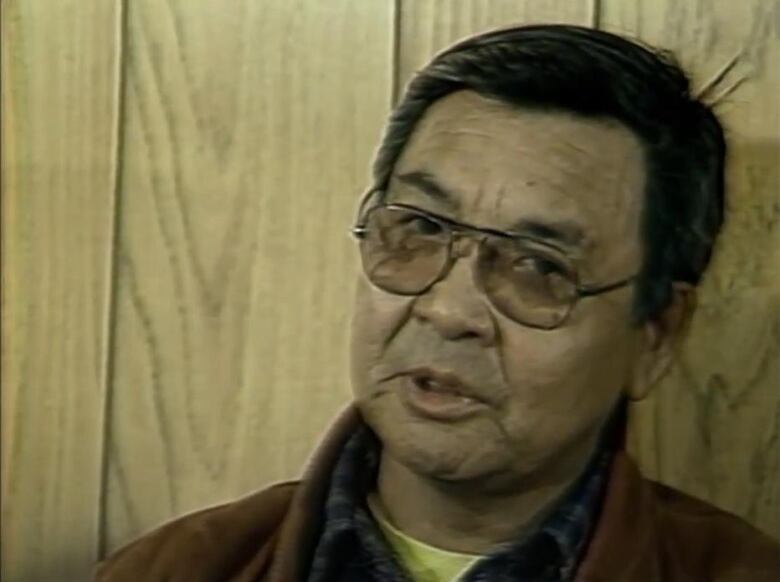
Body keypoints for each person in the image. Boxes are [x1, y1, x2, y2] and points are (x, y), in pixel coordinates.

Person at [95, 24, 780, 582]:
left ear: (655, 335)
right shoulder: (178, 567)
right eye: (421, 227)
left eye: (540, 267)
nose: (449, 311)